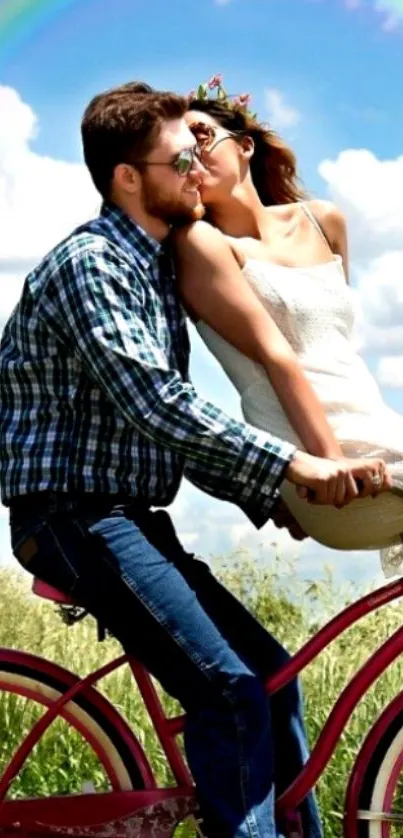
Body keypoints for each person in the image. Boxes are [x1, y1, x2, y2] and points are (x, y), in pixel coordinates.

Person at [0, 81, 388, 838]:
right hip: (75, 517)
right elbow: (156, 402)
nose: (195, 168)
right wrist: (289, 466)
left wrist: (265, 498)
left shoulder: (152, 270)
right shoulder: (95, 264)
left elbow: (164, 428)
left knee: (272, 682)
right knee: (230, 691)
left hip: (131, 519)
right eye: (179, 157)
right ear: (127, 177)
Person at [173, 79, 403, 578]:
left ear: (246, 145)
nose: (192, 156)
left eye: (202, 136)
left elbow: (337, 352)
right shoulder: (201, 243)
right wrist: (329, 464)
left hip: (382, 437)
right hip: (321, 467)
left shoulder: (324, 221)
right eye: (179, 154)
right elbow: (279, 360)